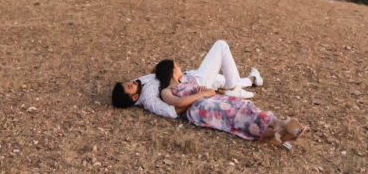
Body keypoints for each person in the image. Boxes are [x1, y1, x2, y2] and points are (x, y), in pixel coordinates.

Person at [155, 58, 305, 147]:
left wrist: (204, 91)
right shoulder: (166, 91)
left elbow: (209, 92)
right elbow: (179, 103)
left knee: (243, 106)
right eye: (177, 66)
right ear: (172, 70)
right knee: (235, 116)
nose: (180, 68)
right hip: (200, 108)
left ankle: (280, 129)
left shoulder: (188, 81)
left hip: (210, 100)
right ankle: (281, 127)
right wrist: (202, 94)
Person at [111, 39, 262, 119]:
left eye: (127, 82)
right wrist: (198, 96)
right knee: (221, 46)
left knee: (225, 79)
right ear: (134, 97)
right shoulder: (149, 99)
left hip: (187, 77)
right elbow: (171, 112)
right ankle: (233, 90)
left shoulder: (138, 84)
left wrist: (163, 70)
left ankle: (253, 79)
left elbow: (153, 76)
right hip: (197, 83)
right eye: (129, 86)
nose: (131, 82)